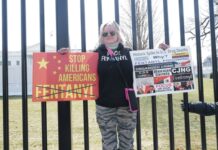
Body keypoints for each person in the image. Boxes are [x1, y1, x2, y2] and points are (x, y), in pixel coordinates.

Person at [59, 21, 169, 150]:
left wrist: (161, 51)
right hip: (104, 107)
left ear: (118, 34)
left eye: (112, 32)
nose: (109, 35)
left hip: (126, 106)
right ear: (101, 36)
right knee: (109, 145)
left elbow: (149, 62)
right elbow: (77, 63)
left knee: (126, 145)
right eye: (105, 33)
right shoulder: (95, 54)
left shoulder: (129, 53)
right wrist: (67, 55)